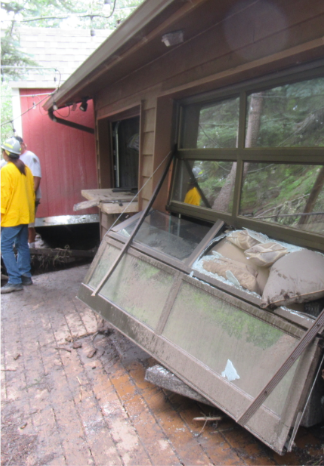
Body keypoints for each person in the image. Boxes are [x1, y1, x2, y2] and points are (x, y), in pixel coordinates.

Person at [1, 137, 35, 293]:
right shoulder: (26, 169)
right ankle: (25, 276)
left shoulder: (7, 170)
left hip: (12, 216)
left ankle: (14, 280)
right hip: (24, 214)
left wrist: (1, 214)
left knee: (5, 247)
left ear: (6, 153)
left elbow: (4, 196)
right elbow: (30, 193)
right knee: (22, 245)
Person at [15, 136, 42, 247]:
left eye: (18, 145)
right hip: (18, 196)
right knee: (20, 222)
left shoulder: (30, 156)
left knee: (29, 223)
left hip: (30, 195)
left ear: (23, 144)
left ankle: (31, 246)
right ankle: (22, 245)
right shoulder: (12, 159)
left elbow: (37, 177)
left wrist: (31, 194)